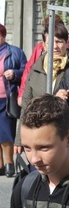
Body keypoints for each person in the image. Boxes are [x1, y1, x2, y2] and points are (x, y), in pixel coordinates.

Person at [18, 17, 69, 101]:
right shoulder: (38, 57)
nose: (55, 46)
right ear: (44, 45)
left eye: (59, 41)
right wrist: (21, 94)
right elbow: (29, 70)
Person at [0, 24, 26, 176]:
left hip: (7, 98)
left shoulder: (15, 52)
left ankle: (9, 163)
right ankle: (0, 165)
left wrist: (14, 73)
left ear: (3, 36)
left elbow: (25, 69)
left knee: (6, 132)